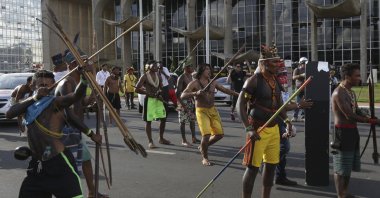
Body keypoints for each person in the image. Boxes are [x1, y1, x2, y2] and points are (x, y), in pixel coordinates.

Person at [6, 69, 102, 198]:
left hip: (58, 163)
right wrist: (35, 97)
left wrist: (84, 79)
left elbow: (75, 96)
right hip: (37, 165)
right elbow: (10, 113)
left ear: (54, 85)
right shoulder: (29, 105)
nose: (45, 88)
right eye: (41, 85)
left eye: (48, 85)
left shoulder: (56, 103)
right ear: (33, 86)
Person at [236, 44, 293, 198]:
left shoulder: (275, 80)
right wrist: (249, 129)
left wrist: (287, 121)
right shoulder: (253, 81)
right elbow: (239, 105)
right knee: (253, 168)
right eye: (274, 62)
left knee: (271, 166)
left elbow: (279, 105)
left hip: (274, 130)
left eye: (278, 62)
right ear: (265, 63)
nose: (278, 65)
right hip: (257, 129)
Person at [56, 52, 107, 198]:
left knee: (85, 161)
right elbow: (69, 114)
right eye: (84, 63)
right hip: (67, 132)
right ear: (73, 65)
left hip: (76, 130)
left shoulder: (77, 82)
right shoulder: (67, 83)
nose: (89, 66)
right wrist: (91, 134)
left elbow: (80, 103)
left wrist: (92, 99)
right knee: (71, 167)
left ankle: (92, 191)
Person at [331, 63, 380, 198]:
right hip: (342, 133)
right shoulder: (338, 93)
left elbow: (356, 110)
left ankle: (344, 192)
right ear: (347, 77)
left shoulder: (350, 92)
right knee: (341, 167)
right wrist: (370, 121)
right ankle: (341, 195)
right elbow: (349, 115)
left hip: (352, 131)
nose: (359, 78)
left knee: (348, 166)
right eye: (357, 76)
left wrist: (368, 116)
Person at [181, 63, 239, 166]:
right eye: (206, 69)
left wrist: (239, 95)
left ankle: (203, 146)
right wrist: (195, 93)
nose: (209, 71)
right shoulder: (194, 83)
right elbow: (183, 95)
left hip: (212, 110)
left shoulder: (213, 82)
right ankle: (205, 158)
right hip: (201, 111)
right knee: (206, 134)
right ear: (201, 71)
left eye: (209, 69)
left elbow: (225, 90)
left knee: (219, 134)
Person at [135, 60, 171, 149]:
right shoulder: (144, 76)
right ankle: (150, 142)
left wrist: (160, 94)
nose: (156, 66)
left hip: (158, 100)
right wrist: (147, 93)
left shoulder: (158, 75)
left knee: (163, 119)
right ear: (148, 66)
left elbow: (161, 87)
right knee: (148, 121)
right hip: (149, 100)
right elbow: (137, 89)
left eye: (156, 65)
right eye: (154, 65)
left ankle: (161, 138)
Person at [176, 61, 199, 146]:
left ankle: (194, 138)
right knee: (183, 122)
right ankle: (184, 140)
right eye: (190, 66)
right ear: (185, 68)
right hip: (182, 101)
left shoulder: (191, 77)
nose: (192, 68)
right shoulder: (181, 77)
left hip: (190, 101)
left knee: (192, 120)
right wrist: (182, 105)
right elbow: (177, 93)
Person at [292, 57, 307, 122]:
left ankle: (303, 116)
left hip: (305, 88)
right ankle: (295, 116)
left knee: (305, 102)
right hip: (298, 88)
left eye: (305, 63)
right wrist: (301, 75)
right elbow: (294, 77)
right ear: (301, 63)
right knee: (297, 102)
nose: (305, 65)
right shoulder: (297, 69)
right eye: (303, 63)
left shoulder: (307, 69)